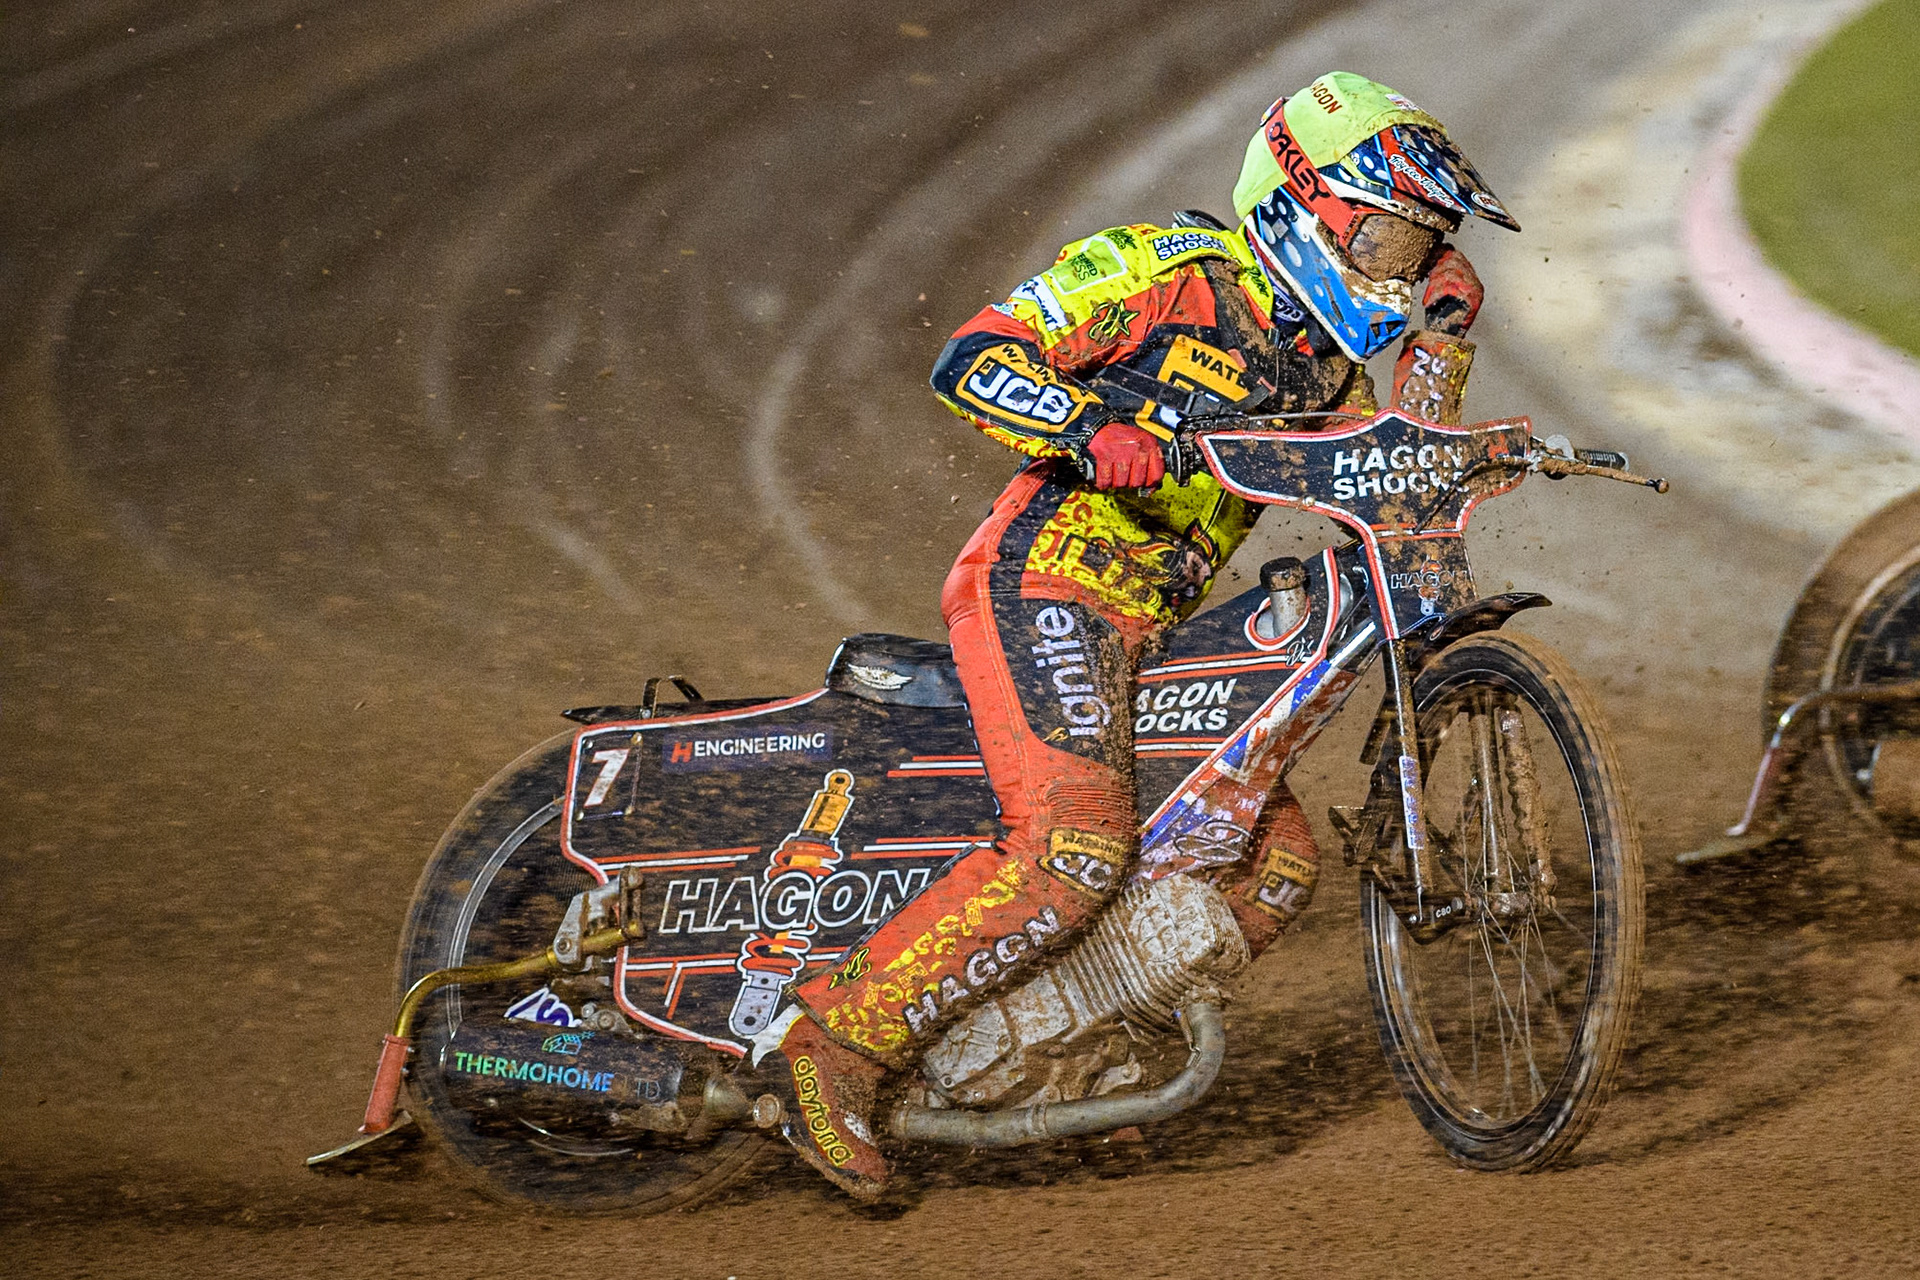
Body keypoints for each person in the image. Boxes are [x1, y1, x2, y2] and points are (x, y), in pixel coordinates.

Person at [751, 71, 1520, 1198]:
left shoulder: (1320, 365)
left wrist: (1447, 336)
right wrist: (1087, 424)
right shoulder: (1169, 271)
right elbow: (971, 356)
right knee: (1075, 848)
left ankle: (1068, 1061)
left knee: (1275, 859)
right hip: (1048, 580)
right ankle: (822, 1050)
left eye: (1420, 249)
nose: (1398, 271)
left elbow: (1405, 461)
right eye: (1393, 239)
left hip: (1153, 624)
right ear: (1305, 201)